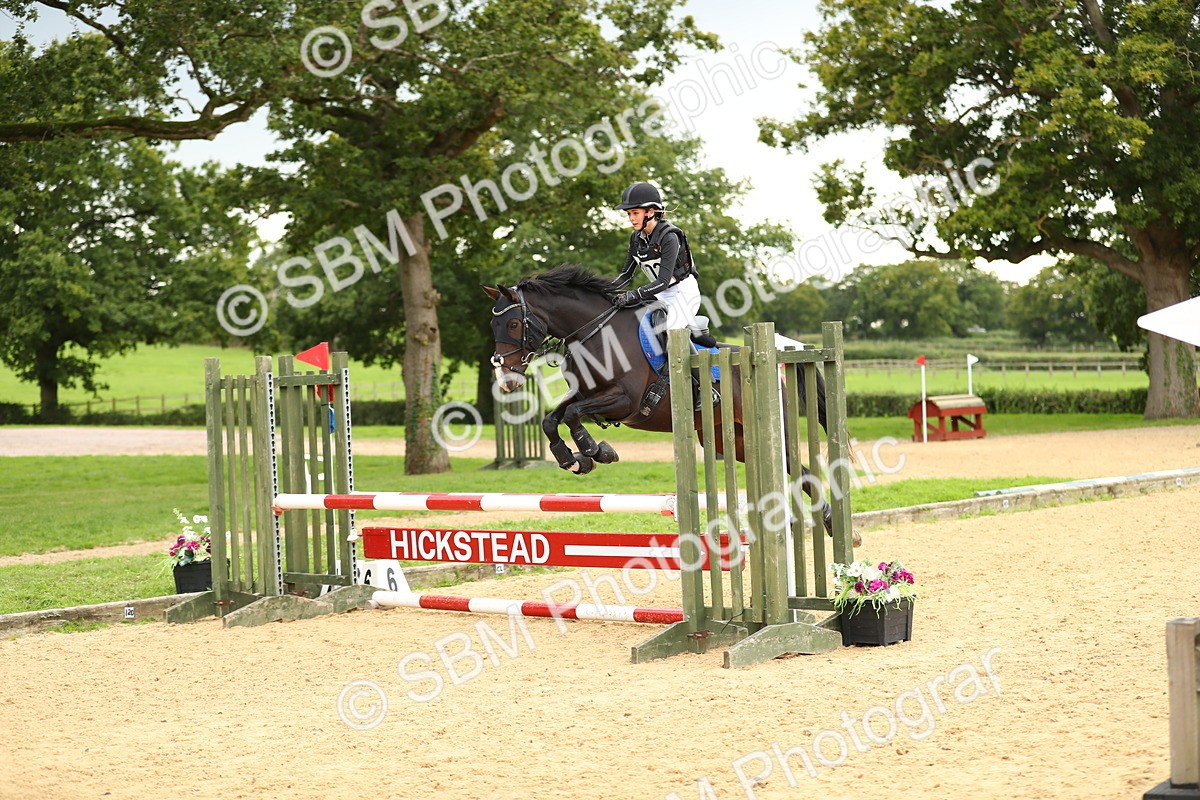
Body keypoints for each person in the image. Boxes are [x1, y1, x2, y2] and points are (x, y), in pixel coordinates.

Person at [609, 181, 717, 409]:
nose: (631, 218)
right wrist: (605, 291)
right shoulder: (636, 239)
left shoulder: (669, 237)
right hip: (660, 294)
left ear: (651, 212)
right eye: (629, 214)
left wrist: (633, 295)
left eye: (635, 213)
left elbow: (663, 281)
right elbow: (626, 275)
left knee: (671, 331)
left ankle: (705, 388)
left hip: (683, 292)